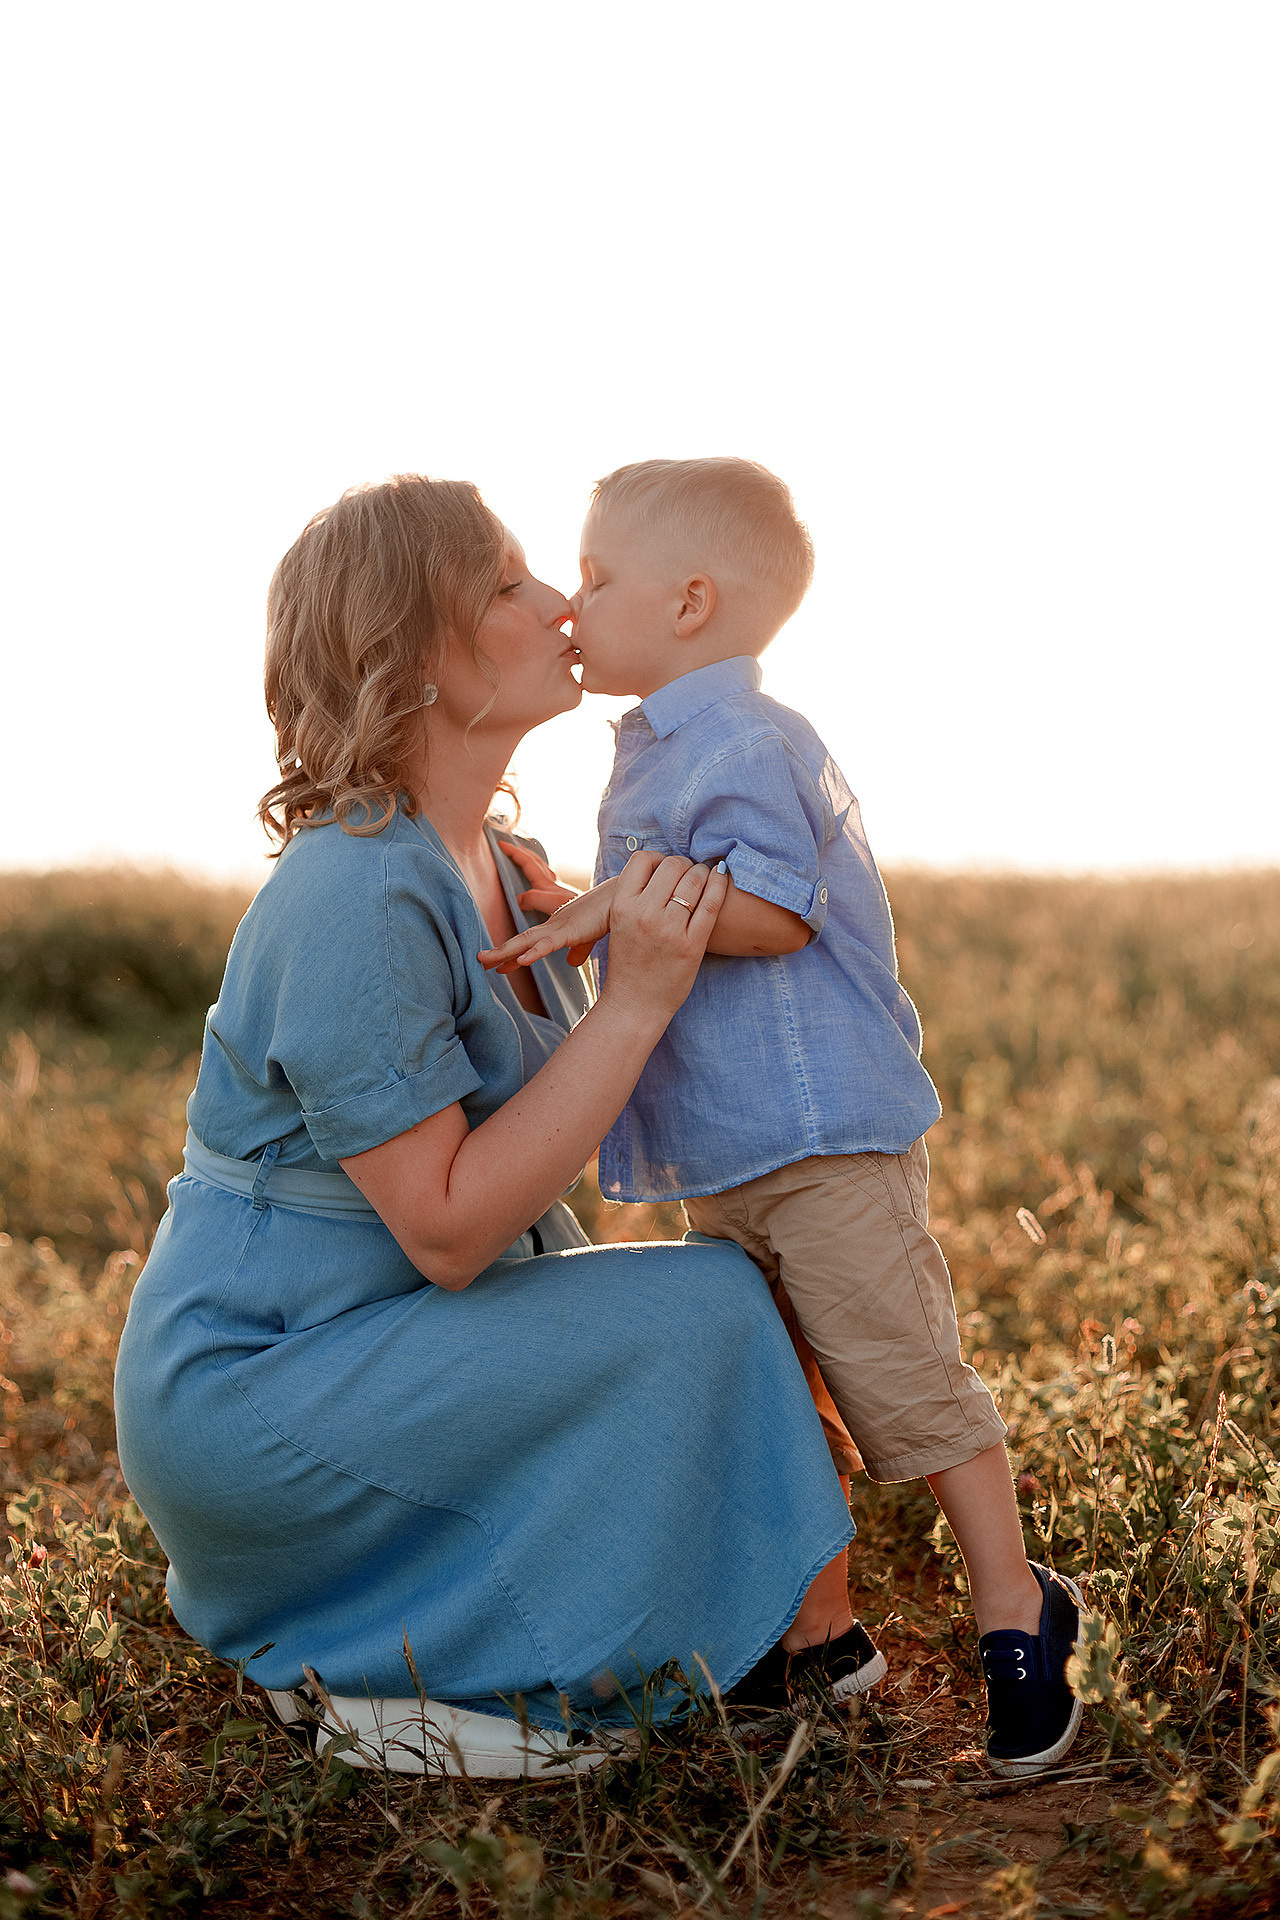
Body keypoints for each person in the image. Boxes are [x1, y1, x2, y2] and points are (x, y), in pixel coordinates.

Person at [112, 473, 857, 1780]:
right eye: (510, 585)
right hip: (267, 1391)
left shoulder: (496, 864)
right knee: (705, 1304)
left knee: (728, 1288)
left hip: (385, 1340)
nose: (562, 601)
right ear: (414, 652)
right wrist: (636, 1000)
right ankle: (397, 1663)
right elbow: (451, 1231)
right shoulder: (352, 892)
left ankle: (746, 1636)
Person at [479, 458, 1084, 1777]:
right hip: (728, 1147)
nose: (574, 605)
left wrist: (620, 898)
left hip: (820, 1142)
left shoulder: (749, 739)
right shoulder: (659, 749)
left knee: (904, 1380)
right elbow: (677, 908)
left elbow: (771, 911)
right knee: (776, 1394)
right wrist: (583, 898)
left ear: (690, 602)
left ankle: (1014, 1606)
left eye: (597, 578)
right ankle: (823, 1631)